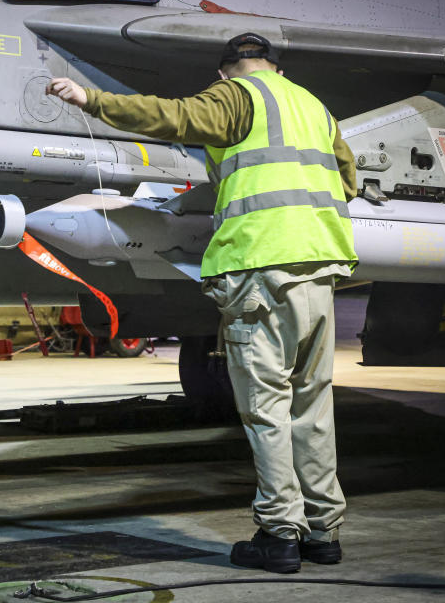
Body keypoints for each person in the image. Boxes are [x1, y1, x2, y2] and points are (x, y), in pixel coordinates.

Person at [47, 33, 358, 574]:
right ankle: (323, 532)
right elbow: (348, 180)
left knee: (266, 410)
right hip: (320, 268)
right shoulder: (314, 107)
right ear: (276, 68)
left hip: (262, 269)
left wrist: (90, 99)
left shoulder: (238, 96)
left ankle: (280, 534)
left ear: (225, 73)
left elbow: (171, 117)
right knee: (313, 407)